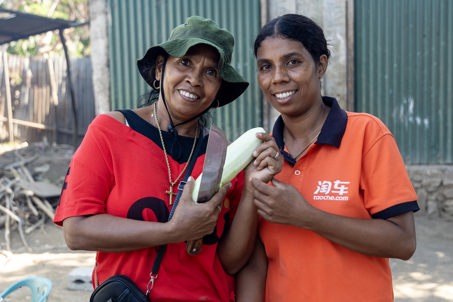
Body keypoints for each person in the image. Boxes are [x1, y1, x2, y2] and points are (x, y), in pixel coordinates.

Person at [54, 16, 281, 301]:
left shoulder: (223, 155)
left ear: (219, 88)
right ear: (160, 69)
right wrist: (173, 231)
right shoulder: (110, 132)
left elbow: (231, 262)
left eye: (210, 72)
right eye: (184, 62)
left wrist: (251, 188)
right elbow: (77, 232)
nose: (195, 80)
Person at [236, 14, 420, 302]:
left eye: (293, 62)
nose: (278, 77)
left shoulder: (366, 134)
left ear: (320, 65)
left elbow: (403, 242)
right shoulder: (260, 157)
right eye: (265, 67)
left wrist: (306, 216)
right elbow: (255, 263)